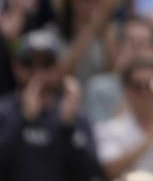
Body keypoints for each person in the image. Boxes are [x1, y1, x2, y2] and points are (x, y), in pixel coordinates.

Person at [0, 28, 102, 181]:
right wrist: (23, 120)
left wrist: (68, 127)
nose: (37, 72)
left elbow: (90, 171)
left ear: (58, 68)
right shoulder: (4, 111)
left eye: (46, 64)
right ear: (15, 66)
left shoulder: (73, 114)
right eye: (28, 63)